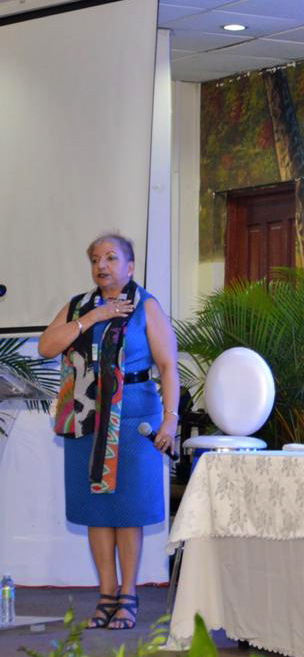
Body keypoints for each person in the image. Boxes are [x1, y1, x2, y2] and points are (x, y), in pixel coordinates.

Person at [38, 234, 178, 630]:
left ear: (130, 267)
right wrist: (91, 320)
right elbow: (47, 347)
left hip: (135, 416)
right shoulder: (80, 305)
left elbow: (168, 367)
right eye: (96, 259)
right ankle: (106, 592)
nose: (102, 265)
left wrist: (170, 419)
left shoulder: (146, 306)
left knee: (127, 509)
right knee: (97, 510)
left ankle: (129, 595)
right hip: (88, 415)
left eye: (112, 258)